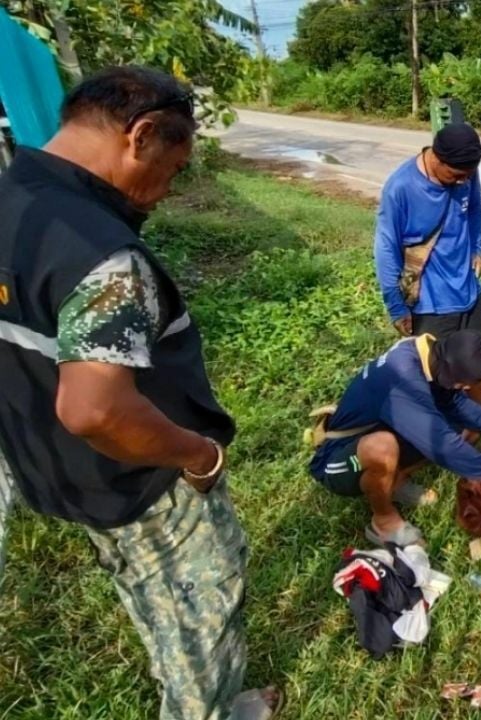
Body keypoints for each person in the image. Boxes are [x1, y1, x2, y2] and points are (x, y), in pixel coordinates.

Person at [0, 67, 279, 718]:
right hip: (143, 482)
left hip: (63, 473)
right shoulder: (103, 256)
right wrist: (197, 455)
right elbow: (94, 407)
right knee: (199, 613)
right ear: (142, 135)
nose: (165, 192)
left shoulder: (15, 202)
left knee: (153, 601)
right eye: (175, 168)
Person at [310, 329, 481, 545]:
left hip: (373, 434)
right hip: (337, 461)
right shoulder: (403, 376)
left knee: (453, 426)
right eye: (464, 383)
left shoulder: (428, 355)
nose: (466, 388)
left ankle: (393, 482)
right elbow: (441, 445)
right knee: (384, 447)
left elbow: (454, 403)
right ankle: (383, 521)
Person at [373, 122, 481, 402]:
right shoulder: (400, 188)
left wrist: (476, 248)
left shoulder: (467, 174)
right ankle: (437, 437)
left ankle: (477, 427)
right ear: (436, 159)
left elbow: (476, 209)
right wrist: (396, 305)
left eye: (468, 175)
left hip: (468, 292)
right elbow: (385, 247)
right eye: (456, 175)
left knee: (477, 366)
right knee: (433, 379)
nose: (463, 181)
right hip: (430, 304)